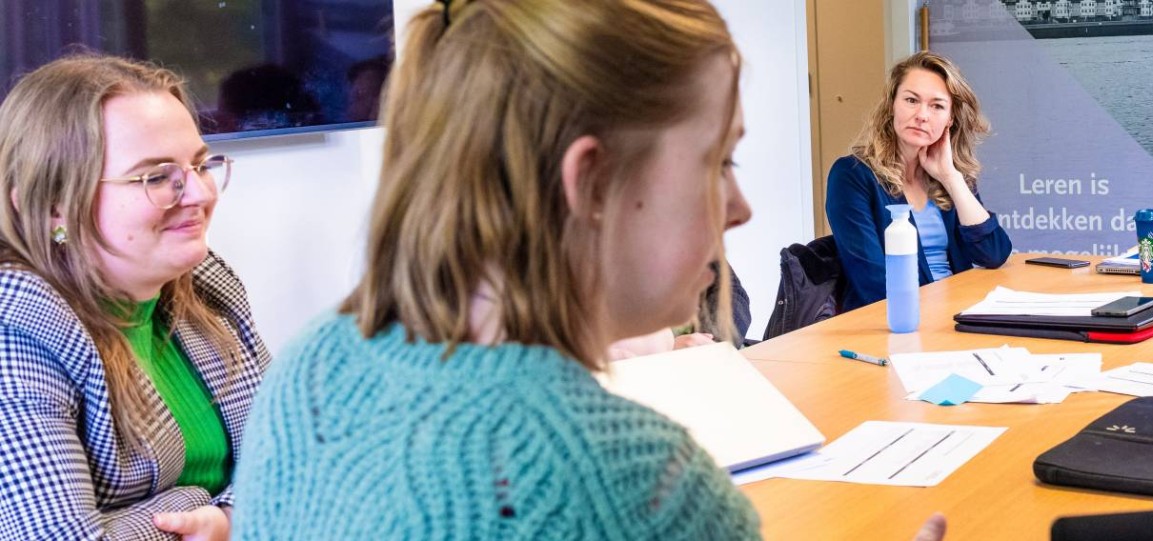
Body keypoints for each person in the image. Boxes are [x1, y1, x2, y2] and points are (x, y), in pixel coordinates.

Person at [226, 0, 778, 537]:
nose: (739, 207)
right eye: (719, 162)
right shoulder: (644, 488)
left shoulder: (313, 365)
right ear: (591, 182)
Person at [0, 55, 270, 540]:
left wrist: (227, 518)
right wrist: (191, 504)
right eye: (154, 176)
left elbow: (300, 457)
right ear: (52, 205)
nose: (199, 194)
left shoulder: (204, 282)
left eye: (200, 164)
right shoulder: (14, 328)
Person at [826, 52, 1011, 311]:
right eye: (911, 100)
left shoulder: (951, 175)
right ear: (892, 105)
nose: (922, 115)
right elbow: (874, 284)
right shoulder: (852, 175)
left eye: (937, 106)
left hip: (959, 315)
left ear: (951, 119)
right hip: (897, 323)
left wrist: (950, 177)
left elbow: (994, 253)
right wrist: (945, 311)